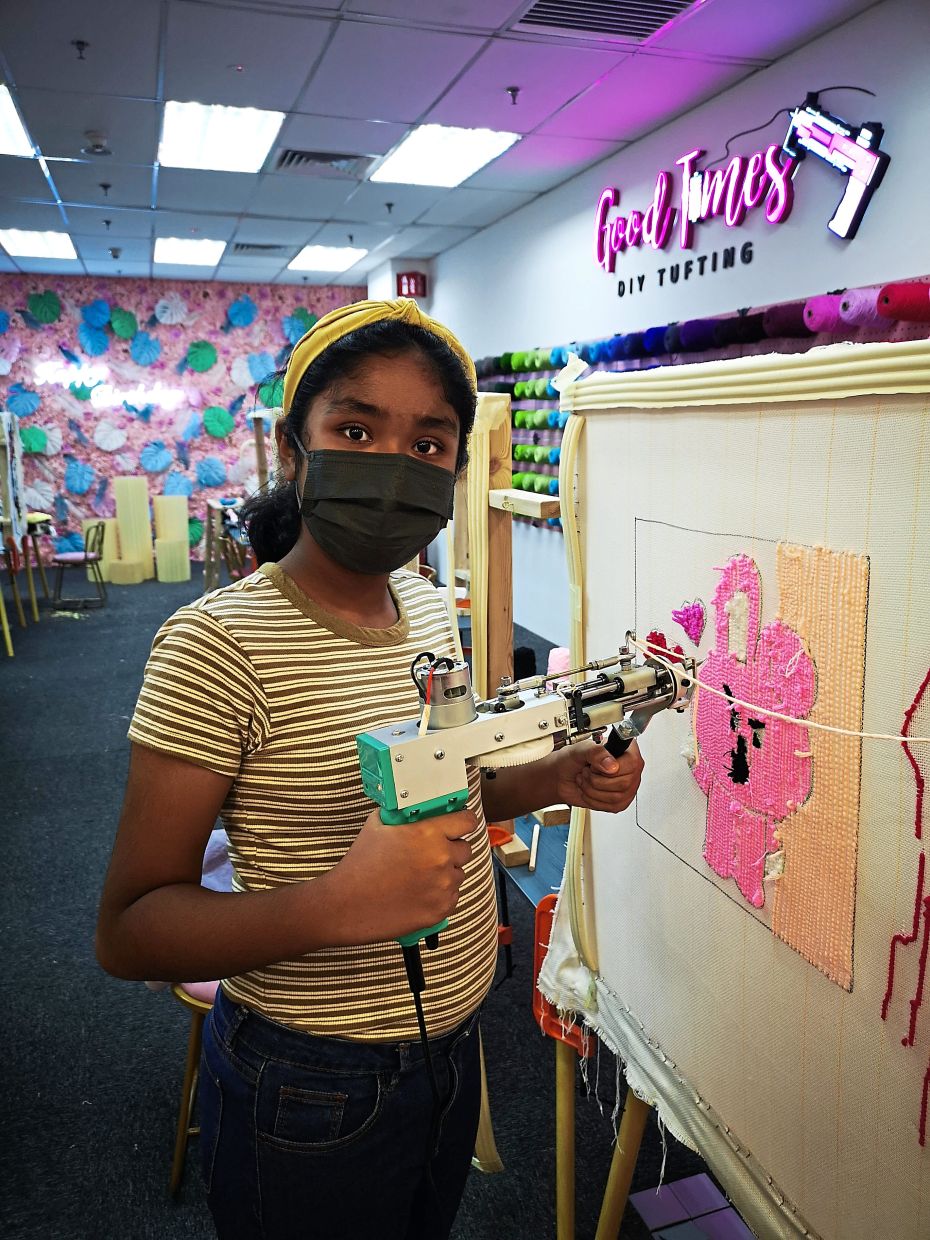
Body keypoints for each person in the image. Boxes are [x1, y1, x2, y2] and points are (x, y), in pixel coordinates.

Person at [95, 298, 644, 1240]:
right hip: (311, 1078)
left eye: (429, 444)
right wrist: (341, 906)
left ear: (457, 468)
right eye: (356, 429)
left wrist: (552, 778)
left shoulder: (427, 610)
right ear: (294, 450)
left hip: (453, 1046)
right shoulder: (215, 647)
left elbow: (453, 790)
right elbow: (132, 931)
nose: (395, 467)